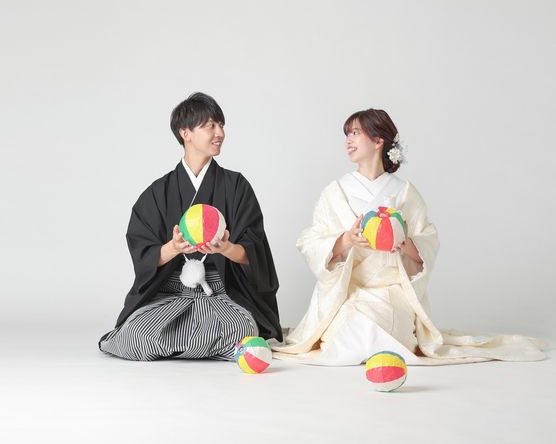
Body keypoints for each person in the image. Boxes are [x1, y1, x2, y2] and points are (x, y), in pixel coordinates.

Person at [271, 108, 545, 365]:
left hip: (391, 291)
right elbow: (310, 239)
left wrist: (407, 246)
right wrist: (345, 240)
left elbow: (428, 239)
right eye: (347, 134)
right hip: (347, 292)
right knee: (344, 339)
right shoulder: (335, 192)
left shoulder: (403, 192)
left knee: (378, 333)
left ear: (378, 140)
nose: (348, 141)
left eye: (355, 133)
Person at [99, 92, 282, 361]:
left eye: (221, 125)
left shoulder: (236, 186)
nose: (220, 133)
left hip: (222, 293)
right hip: (171, 293)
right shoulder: (159, 192)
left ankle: (179, 345)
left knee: (243, 327)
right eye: (210, 126)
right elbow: (144, 254)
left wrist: (227, 248)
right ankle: (211, 346)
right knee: (137, 335)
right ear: (185, 133)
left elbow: (254, 251)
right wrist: (173, 248)